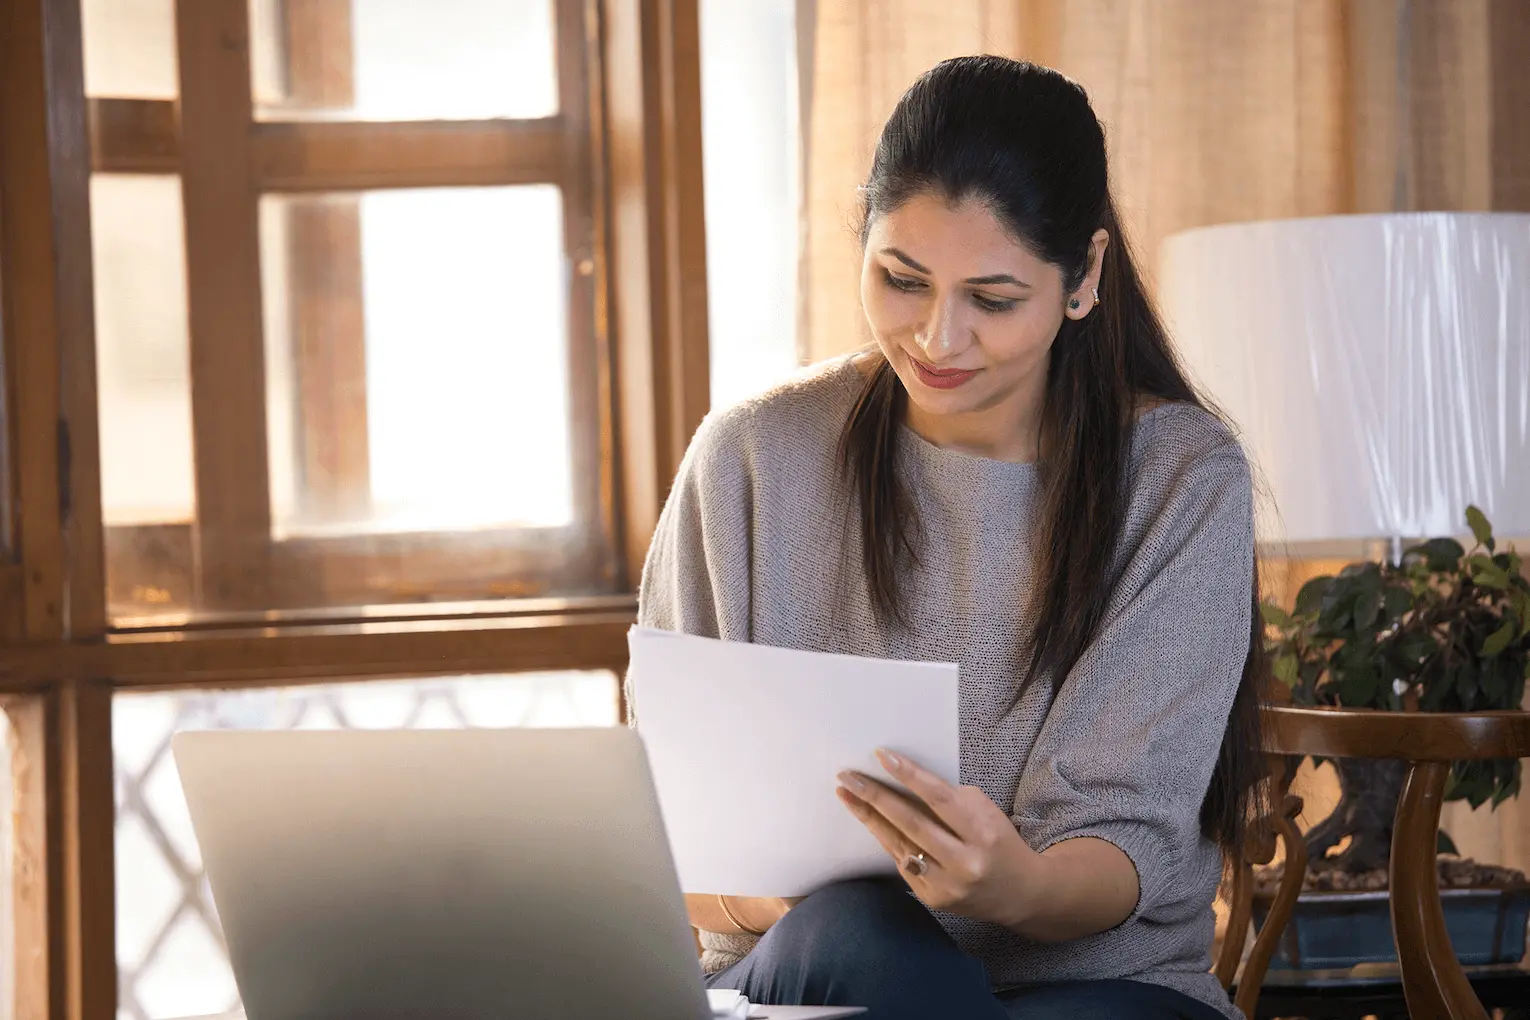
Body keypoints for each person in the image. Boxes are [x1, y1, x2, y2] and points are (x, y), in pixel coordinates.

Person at [634, 55, 1264, 1020]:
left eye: (993, 299)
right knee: (865, 938)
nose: (938, 338)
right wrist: (783, 899)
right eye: (903, 280)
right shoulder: (751, 458)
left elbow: (1126, 837)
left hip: (1099, 984)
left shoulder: (1179, 477)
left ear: (1085, 275)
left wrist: (1014, 887)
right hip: (824, 979)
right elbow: (664, 835)